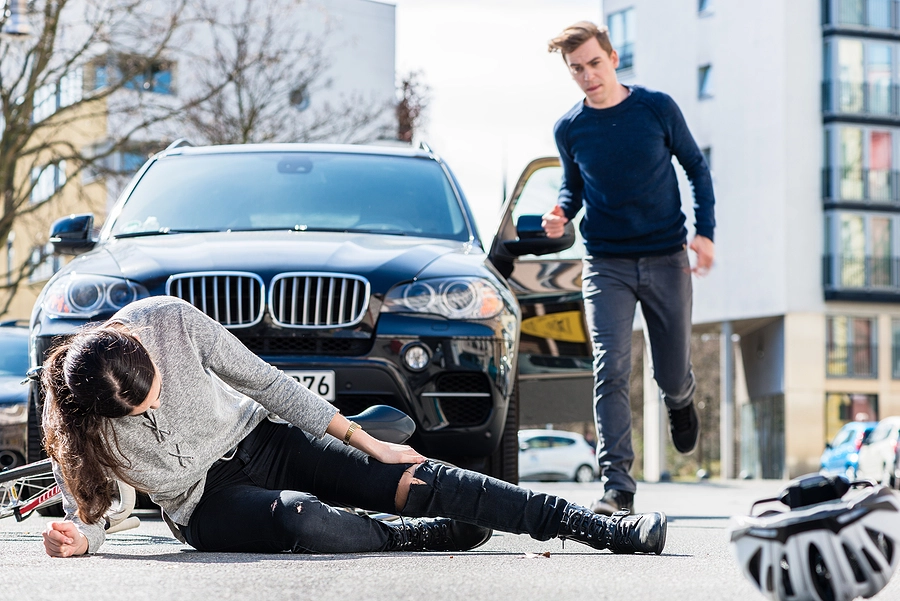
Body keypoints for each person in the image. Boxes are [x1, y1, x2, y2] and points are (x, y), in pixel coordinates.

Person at [40, 296, 667, 557]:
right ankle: (415, 538)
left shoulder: (169, 322)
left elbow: (268, 384)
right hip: (208, 503)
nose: (151, 410)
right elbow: (93, 508)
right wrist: (81, 540)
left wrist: (367, 443)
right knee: (302, 517)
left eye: (153, 392)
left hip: (265, 437)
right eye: (135, 413)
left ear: (141, 348)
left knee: (417, 474)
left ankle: (598, 527)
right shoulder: (82, 417)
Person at [542, 22, 716, 516]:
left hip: (666, 258)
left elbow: (696, 169)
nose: (587, 76)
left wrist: (705, 234)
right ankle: (617, 485)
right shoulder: (570, 127)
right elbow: (572, 189)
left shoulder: (656, 108)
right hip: (605, 263)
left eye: (594, 63)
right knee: (610, 368)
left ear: (614, 58)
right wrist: (560, 215)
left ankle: (680, 400)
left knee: (671, 374)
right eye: (576, 69)